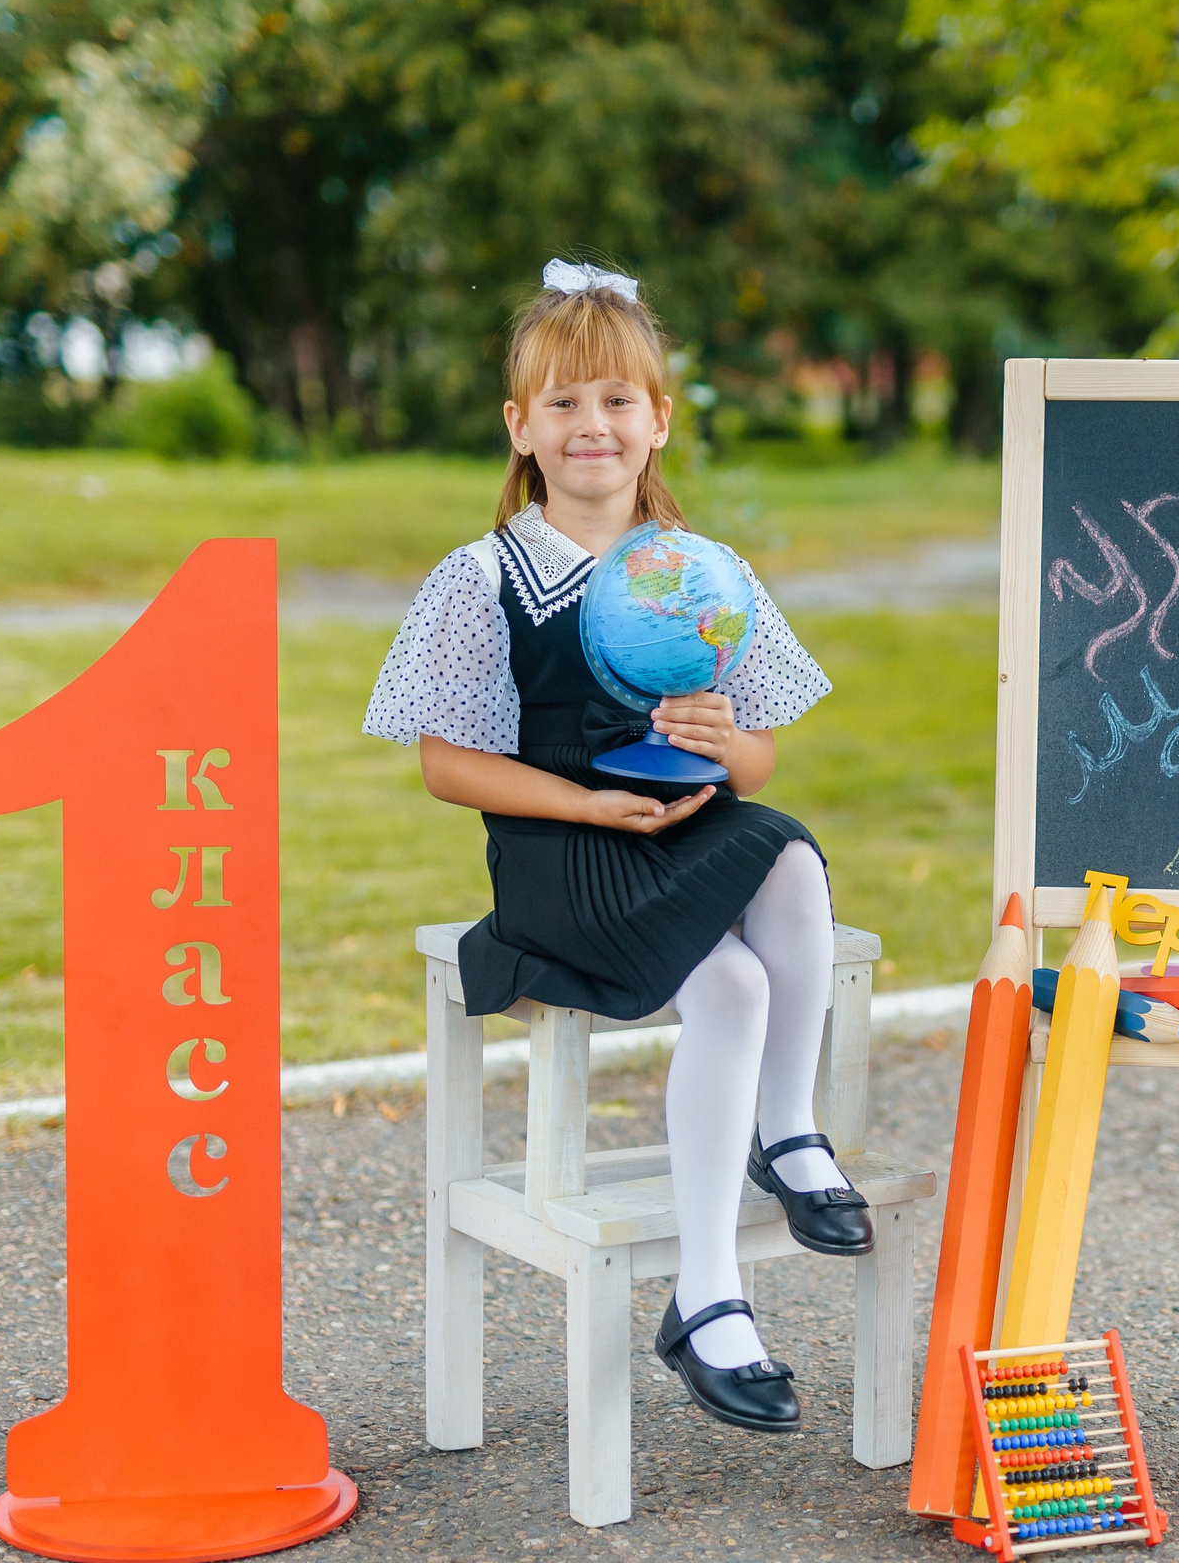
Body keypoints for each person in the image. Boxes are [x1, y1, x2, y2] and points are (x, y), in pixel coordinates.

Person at [364, 260, 868, 1434]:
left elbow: (755, 766)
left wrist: (721, 733)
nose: (592, 425)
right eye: (563, 404)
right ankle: (713, 1290)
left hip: (672, 837)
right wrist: (586, 805)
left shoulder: (702, 574)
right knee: (734, 977)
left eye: (617, 403)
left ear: (658, 421)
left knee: (785, 852)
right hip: (561, 854)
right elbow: (447, 766)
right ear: (520, 427)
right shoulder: (484, 576)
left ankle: (774, 1154)